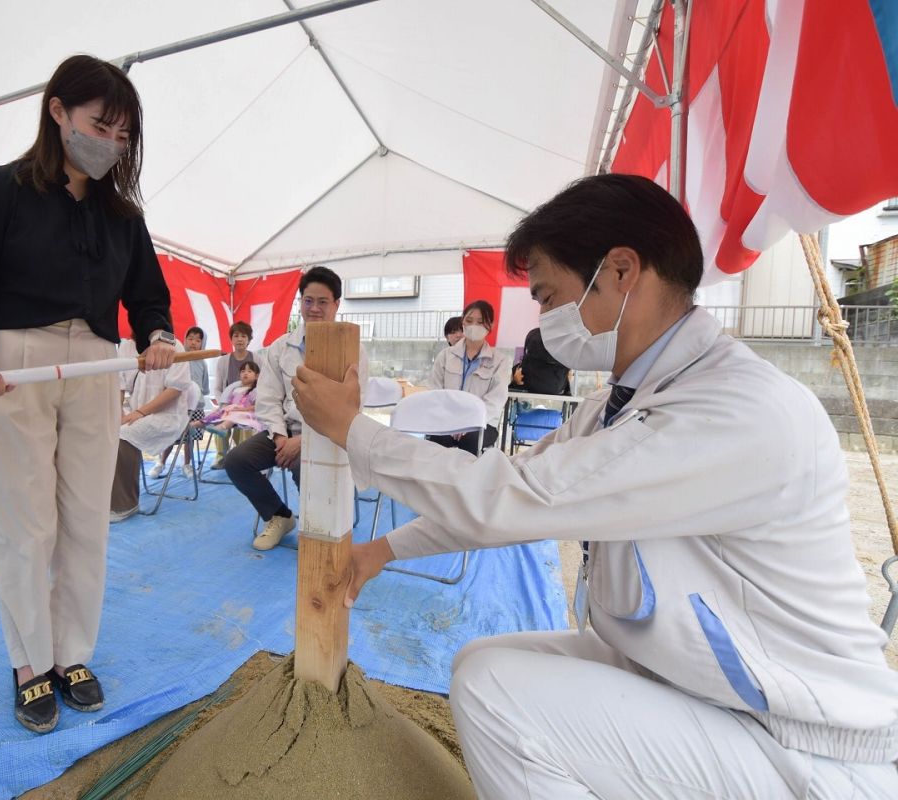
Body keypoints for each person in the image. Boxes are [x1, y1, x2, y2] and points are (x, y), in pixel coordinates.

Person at [292, 173, 898, 798]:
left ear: (620, 272)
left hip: (795, 738)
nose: (545, 320)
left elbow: (514, 500)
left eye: (550, 297)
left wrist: (354, 432)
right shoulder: (624, 400)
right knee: (479, 663)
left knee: (497, 696)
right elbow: (516, 485)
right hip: (687, 682)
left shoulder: (736, 409)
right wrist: (381, 550)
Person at [0, 55, 176, 735]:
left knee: (83, 520)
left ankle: (73, 654)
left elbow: (148, 298)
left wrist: (157, 333)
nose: (112, 142)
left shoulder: (123, 217)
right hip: (16, 364)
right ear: (58, 112)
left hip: (98, 366)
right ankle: (29, 663)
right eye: (102, 125)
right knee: (25, 522)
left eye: (123, 134)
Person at [224, 265, 366, 551]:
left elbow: (352, 408)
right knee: (236, 461)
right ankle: (279, 515)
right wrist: (280, 439)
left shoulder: (353, 350)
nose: (314, 308)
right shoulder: (280, 347)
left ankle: (319, 530)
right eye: (308, 300)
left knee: (308, 464)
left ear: (336, 304)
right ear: (300, 302)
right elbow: (267, 398)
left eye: (323, 302)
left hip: (329, 437)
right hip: (284, 433)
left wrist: (304, 443)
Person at [116, 341, 193, 507]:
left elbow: (175, 389)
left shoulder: (174, 346)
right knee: (104, 431)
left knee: (123, 435)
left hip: (168, 415)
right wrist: (118, 412)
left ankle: (124, 504)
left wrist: (140, 412)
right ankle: (105, 495)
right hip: (134, 410)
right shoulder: (126, 346)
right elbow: (119, 384)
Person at [427, 300, 510, 453]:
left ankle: (469, 476)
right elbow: (434, 390)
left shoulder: (499, 361)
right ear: (463, 321)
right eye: (469, 321)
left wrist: (470, 422)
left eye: (480, 322)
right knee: (438, 438)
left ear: (490, 325)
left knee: (471, 441)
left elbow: (496, 399)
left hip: (482, 422)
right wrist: (449, 420)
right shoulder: (445, 356)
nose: (474, 326)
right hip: (447, 419)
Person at [156, 326, 208, 478]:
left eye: (198, 340)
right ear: (184, 340)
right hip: (178, 406)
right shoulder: (177, 359)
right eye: (190, 339)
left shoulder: (203, 363)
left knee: (189, 439)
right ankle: (161, 463)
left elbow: (204, 388)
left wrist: (197, 397)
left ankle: (187, 464)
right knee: (171, 436)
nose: (193, 343)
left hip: (196, 406)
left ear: (202, 343)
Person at [209, 321, 256, 470]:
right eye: (236, 335)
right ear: (231, 339)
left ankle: (244, 458)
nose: (240, 339)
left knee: (246, 424)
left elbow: (263, 386)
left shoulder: (257, 359)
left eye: (244, 336)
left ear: (249, 339)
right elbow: (217, 388)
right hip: (227, 404)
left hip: (249, 407)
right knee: (219, 419)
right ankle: (221, 457)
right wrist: (223, 404)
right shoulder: (223, 361)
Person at [203, 361, 262, 432]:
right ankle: (200, 424)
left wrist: (240, 410)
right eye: (243, 371)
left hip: (246, 413)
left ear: (256, 376)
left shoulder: (255, 391)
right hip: (233, 411)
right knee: (217, 412)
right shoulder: (235, 389)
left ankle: (222, 428)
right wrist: (227, 408)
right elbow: (228, 402)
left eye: (249, 371)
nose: (245, 373)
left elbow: (257, 406)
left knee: (235, 415)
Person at [510, 327, 570, 395]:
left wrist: (514, 381)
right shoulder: (563, 337)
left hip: (527, 383)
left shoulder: (534, 334)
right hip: (556, 385)